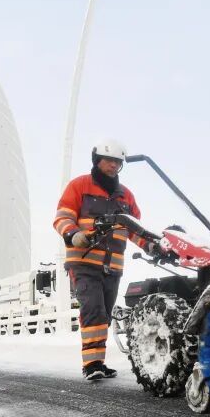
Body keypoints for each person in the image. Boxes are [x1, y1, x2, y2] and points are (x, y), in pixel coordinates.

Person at [53, 138, 164, 380]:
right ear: (97, 161)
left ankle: (98, 362)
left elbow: (135, 229)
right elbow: (62, 217)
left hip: (113, 266)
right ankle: (91, 364)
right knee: (93, 310)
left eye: (117, 162)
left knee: (104, 312)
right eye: (109, 161)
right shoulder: (79, 186)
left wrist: (151, 246)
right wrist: (73, 235)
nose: (113, 166)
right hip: (83, 262)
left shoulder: (126, 196)